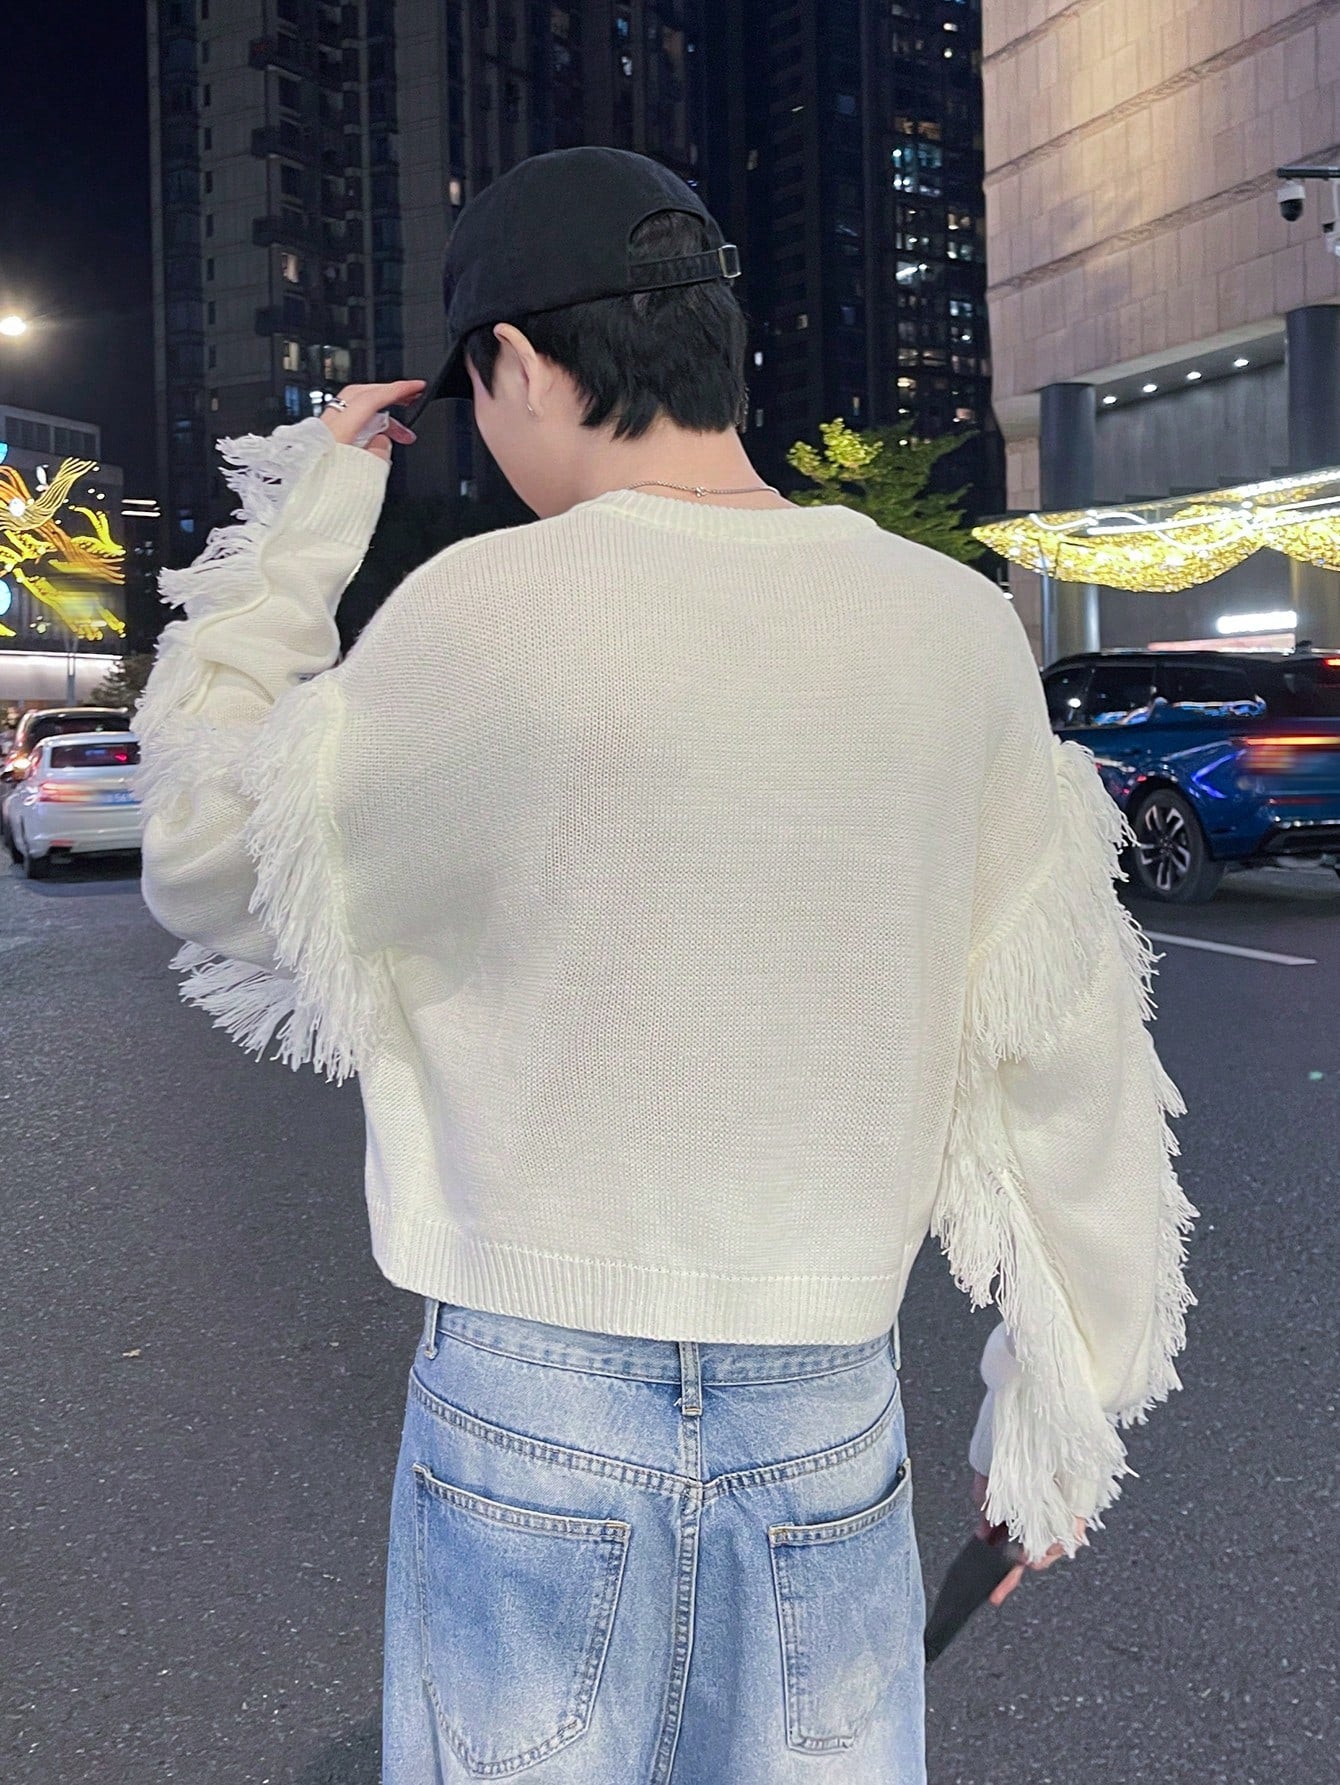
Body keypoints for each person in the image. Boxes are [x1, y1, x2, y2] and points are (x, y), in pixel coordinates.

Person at [134, 148, 1197, 1782]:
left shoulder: (473, 617)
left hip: (527, 1405)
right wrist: (1069, 1391)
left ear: (516, 361)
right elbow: (1063, 1034)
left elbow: (208, 848)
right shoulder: (949, 628)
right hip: (822, 1403)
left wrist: (304, 525)